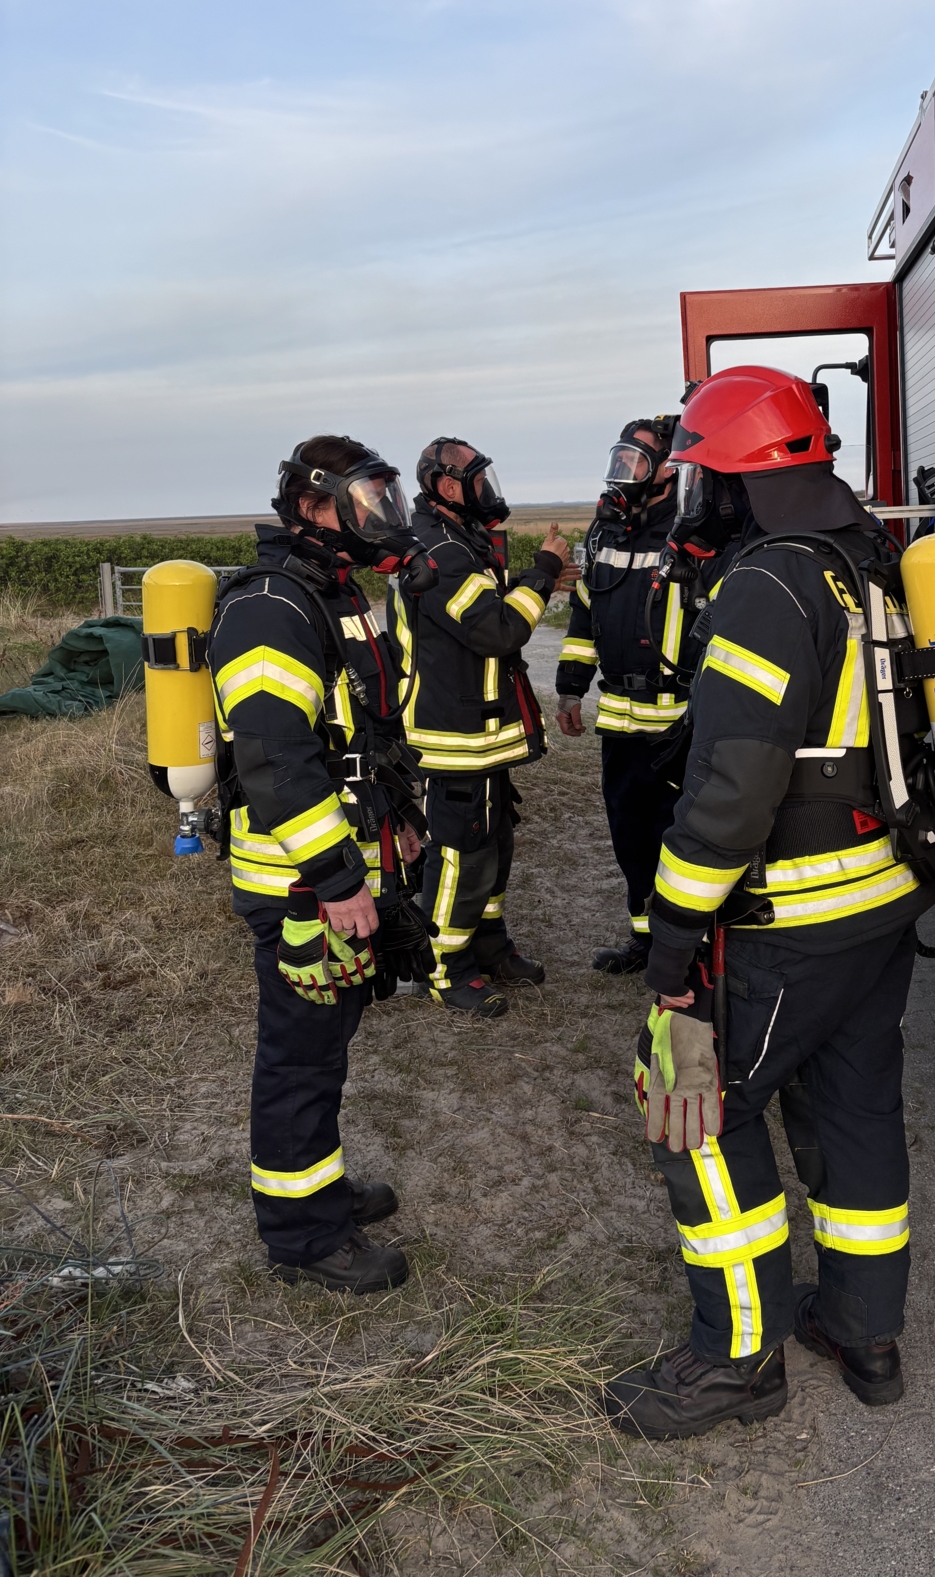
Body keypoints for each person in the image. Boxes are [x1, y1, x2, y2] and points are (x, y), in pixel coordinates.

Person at [602, 367, 933, 1441]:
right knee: (853, 1109)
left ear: (739, 481)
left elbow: (732, 788)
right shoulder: (866, 563)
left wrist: (673, 948)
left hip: (787, 921)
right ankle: (862, 1331)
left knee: (699, 1114)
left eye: (703, 476)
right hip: (879, 906)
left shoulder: (764, 584)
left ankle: (737, 1361)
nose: (693, 497)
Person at [209, 435, 433, 1294]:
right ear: (310, 506)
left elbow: (362, 734)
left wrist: (400, 820)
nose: (383, 515)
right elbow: (275, 760)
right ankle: (303, 1239)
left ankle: (320, 1188)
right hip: (299, 885)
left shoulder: (334, 596)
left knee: (326, 1048)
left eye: (387, 496)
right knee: (299, 1057)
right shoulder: (272, 605)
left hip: (341, 867)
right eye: (365, 498)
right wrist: (336, 882)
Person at [390, 438, 578, 1015]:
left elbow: (488, 614)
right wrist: (543, 572)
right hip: (453, 736)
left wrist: (532, 578)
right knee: (460, 855)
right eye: (477, 479)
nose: (487, 490)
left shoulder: (458, 542)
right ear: (448, 487)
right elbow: (496, 630)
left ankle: (489, 943)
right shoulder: (439, 550)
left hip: (481, 732)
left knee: (495, 843)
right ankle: (443, 966)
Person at [555, 417, 740, 974]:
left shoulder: (695, 535)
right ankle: (646, 940)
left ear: (668, 469)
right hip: (620, 722)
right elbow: (585, 615)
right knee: (630, 835)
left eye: (636, 461)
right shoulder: (605, 534)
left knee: (684, 836)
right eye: (621, 460)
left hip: (681, 723)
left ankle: (697, 947)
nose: (624, 473)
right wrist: (569, 691)